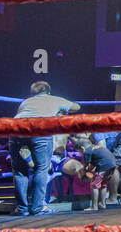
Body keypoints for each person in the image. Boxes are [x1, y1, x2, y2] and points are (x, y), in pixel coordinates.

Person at [9, 81, 79, 216]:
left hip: (15, 129)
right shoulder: (54, 99)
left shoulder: (25, 102)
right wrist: (60, 109)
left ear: (32, 93)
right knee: (41, 168)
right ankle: (38, 207)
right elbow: (76, 106)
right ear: (48, 92)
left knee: (19, 171)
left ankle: (22, 209)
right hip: (39, 130)